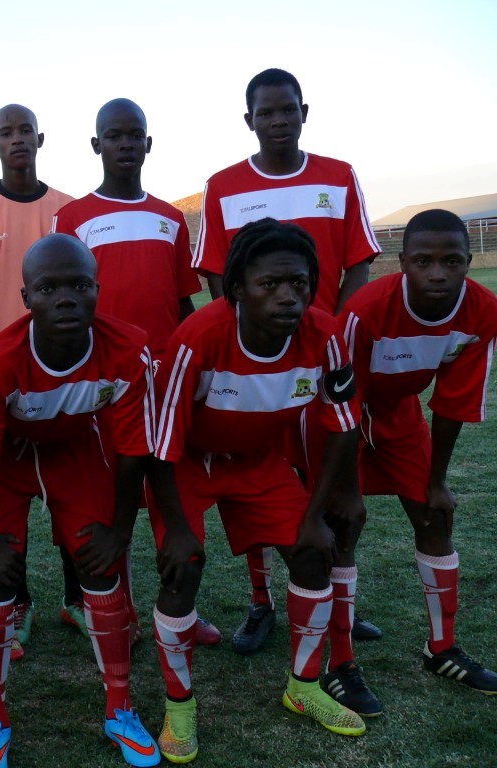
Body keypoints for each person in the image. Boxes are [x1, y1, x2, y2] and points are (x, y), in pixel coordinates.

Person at [147, 218, 369, 763]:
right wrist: (176, 527)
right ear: (237, 289)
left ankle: (303, 687)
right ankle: (179, 708)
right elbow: (160, 442)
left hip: (260, 460)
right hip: (189, 462)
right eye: (270, 283)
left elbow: (343, 426)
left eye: (299, 283)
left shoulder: (325, 334)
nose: (288, 296)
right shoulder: (196, 338)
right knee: (183, 568)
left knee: (312, 552)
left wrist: (316, 511)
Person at [191, 68, 383, 655]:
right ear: (249, 120)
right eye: (266, 112)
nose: (278, 120)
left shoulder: (338, 175)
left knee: (332, 485)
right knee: (262, 477)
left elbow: (358, 263)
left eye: (287, 110)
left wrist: (333, 336)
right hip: (260, 366)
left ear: (305, 112)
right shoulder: (223, 186)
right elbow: (220, 274)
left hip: (320, 361)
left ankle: (339, 605)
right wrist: (249, 339)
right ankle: (262, 603)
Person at [0, 234, 160, 768]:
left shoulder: (129, 347)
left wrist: (120, 530)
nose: (66, 298)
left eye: (79, 286)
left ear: (97, 289)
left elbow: (133, 451)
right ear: (26, 297)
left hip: (75, 446)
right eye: (49, 288)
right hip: (8, 459)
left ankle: (119, 706)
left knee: (101, 562)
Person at [306, 209, 497, 698]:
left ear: (468, 261)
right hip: (339, 421)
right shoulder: (365, 310)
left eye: (452, 261)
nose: (438, 273)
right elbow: (342, 403)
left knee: (434, 517)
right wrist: (347, 489)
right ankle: (341, 660)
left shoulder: (483, 310)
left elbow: (453, 403)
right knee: (343, 524)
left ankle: (442, 648)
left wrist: (437, 481)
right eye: (423, 261)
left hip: (399, 417)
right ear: (403, 262)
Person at [53, 98, 217, 647]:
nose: (125, 144)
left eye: (134, 135)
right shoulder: (73, 218)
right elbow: (64, 305)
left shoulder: (170, 218)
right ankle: (117, 613)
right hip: (104, 384)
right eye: (114, 135)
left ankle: (181, 612)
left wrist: (193, 369)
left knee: (174, 498)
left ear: (148, 144)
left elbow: (183, 302)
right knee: (110, 499)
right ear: (96, 144)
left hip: (164, 384)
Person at [0, 103, 74, 658]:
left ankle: (76, 596)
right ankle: (19, 600)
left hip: (62, 368)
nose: (17, 138)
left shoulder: (68, 210)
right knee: (6, 498)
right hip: (0, 376)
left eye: (26, 130)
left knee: (72, 485)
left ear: (40, 139)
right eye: (7, 132)